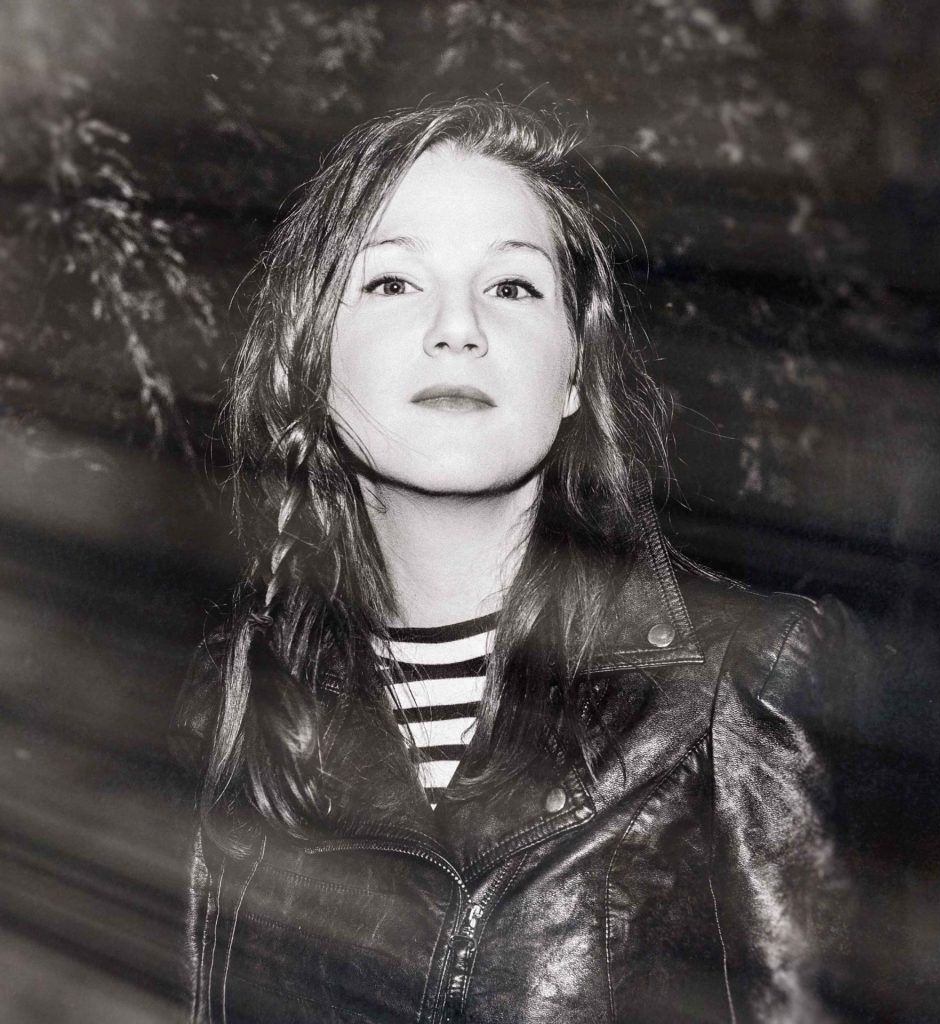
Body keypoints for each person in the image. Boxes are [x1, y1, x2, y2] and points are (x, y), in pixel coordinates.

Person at [173, 99, 872, 1023]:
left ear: (574, 369)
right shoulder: (234, 692)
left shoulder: (748, 685)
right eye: (393, 282)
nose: (457, 327)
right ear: (313, 357)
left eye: (511, 287)